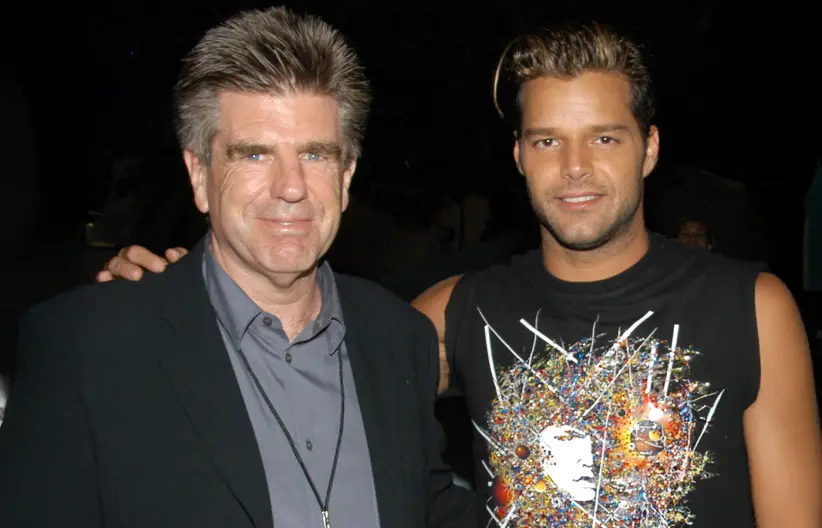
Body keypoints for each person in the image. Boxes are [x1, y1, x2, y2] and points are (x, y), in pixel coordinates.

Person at [96, 22, 822, 527]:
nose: (575, 169)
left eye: (604, 137)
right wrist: (178, 296)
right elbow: (290, 357)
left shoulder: (750, 306)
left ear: (649, 148)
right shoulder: (457, 310)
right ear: (518, 156)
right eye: (547, 140)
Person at [0, 7, 478, 528]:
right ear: (199, 175)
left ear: (346, 176)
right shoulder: (87, 348)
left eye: (316, 155)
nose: (291, 186)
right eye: (254, 155)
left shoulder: (399, 338)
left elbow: (432, 508)